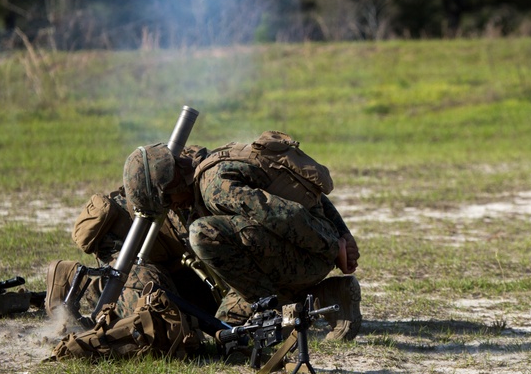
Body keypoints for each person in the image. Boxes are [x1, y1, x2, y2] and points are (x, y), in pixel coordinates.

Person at [122, 131, 362, 341]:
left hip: (312, 255)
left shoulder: (214, 188)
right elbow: (303, 195)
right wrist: (342, 233)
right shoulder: (206, 167)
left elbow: (285, 214)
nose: (171, 208)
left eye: (167, 200)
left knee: (204, 234)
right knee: (226, 331)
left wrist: (334, 246)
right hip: (305, 251)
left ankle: (274, 308)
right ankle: (328, 296)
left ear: (173, 182)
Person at [45, 146, 221, 321]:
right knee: (160, 318)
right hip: (125, 242)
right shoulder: (186, 185)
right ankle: (71, 279)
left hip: (169, 254)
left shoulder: (212, 174)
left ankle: (98, 288)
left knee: (206, 310)